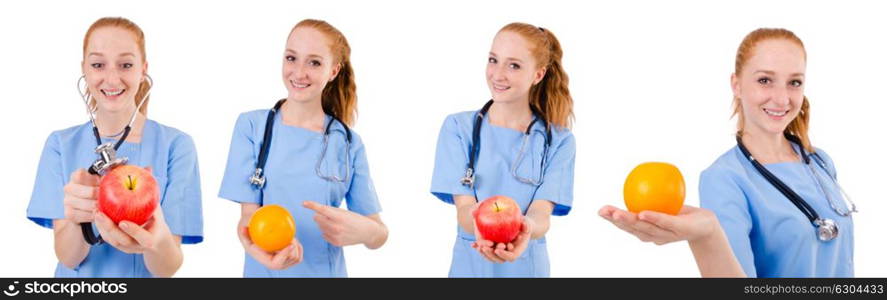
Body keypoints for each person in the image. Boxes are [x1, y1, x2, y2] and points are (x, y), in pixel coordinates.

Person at [27, 17, 204, 277]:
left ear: (143, 70)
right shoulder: (60, 145)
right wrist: (80, 219)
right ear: (84, 69)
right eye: (98, 64)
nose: (111, 78)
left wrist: (155, 237)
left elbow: (167, 268)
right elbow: (67, 257)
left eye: (126, 65)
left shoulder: (177, 146)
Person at [219, 19, 388, 277]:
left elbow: (378, 232)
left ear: (333, 71)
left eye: (314, 62)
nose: (299, 73)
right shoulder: (252, 127)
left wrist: (366, 232)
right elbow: (247, 218)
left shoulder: (348, 143)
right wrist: (258, 250)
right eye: (291, 58)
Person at [430, 22, 576, 277]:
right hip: (471, 266)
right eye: (493, 60)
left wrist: (525, 227)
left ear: (538, 75)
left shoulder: (559, 141)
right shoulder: (458, 128)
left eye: (514, 65)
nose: (498, 74)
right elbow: (464, 209)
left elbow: (541, 212)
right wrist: (479, 225)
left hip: (527, 268)